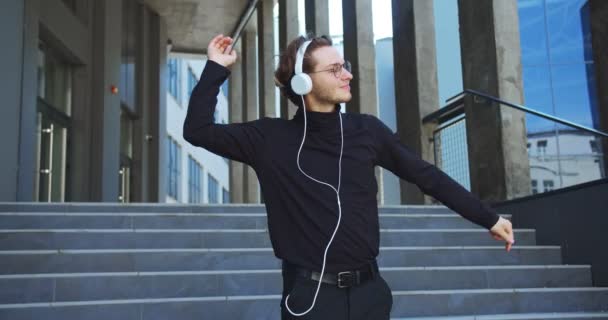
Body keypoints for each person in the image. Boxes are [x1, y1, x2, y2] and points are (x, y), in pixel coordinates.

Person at [183, 33, 515, 320]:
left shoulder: (367, 131)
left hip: (370, 294)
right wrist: (215, 69)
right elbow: (197, 131)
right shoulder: (269, 139)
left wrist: (487, 217)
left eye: (346, 66)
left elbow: (425, 175)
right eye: (335, 69)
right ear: (304, 81)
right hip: (310, 298)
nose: (348, 75)